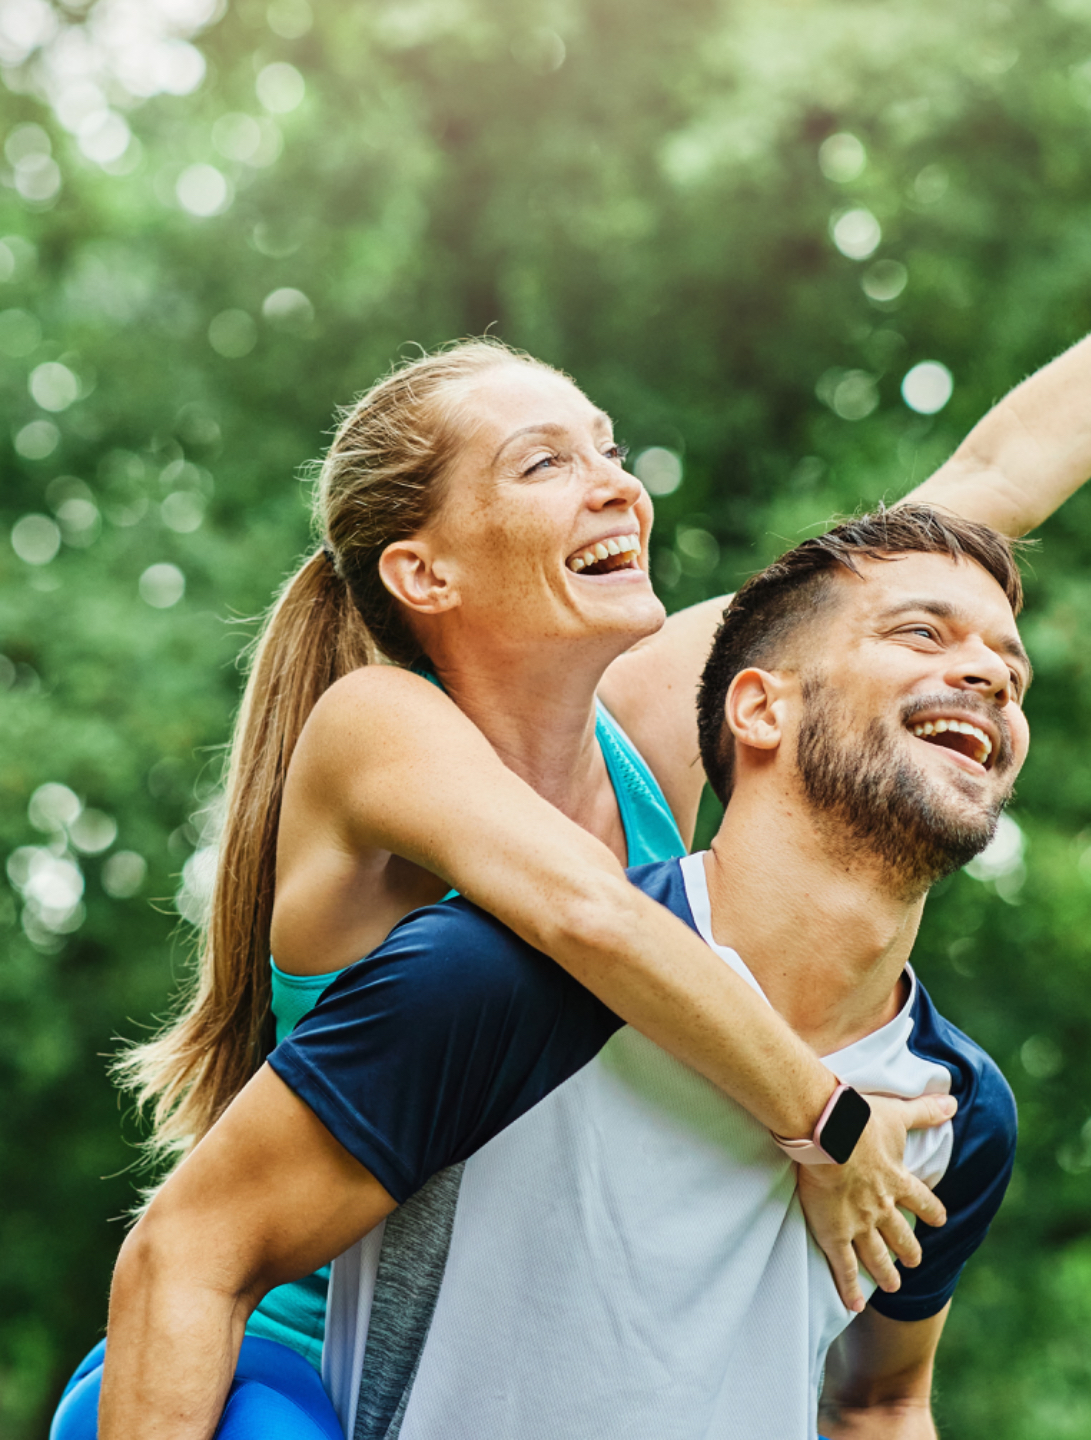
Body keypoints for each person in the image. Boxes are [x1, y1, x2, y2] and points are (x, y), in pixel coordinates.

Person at [55, 37, 1091, 1438]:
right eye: (545, 463)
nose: (614, 486)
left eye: (607, 445)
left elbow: (983, 488)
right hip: (267, 1361)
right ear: (424, 573)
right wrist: (824, 1124)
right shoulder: (379, 729)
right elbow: (583, 915)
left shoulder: (648, 722)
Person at [102, 507, 1029, 1440]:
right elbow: (185, 1254)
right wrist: (831, 1125)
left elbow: (880, 1402)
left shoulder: (961, 1112)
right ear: (759, 709)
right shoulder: (491, 984)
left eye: (1013, 671)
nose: (992, 676)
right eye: (920, 633)